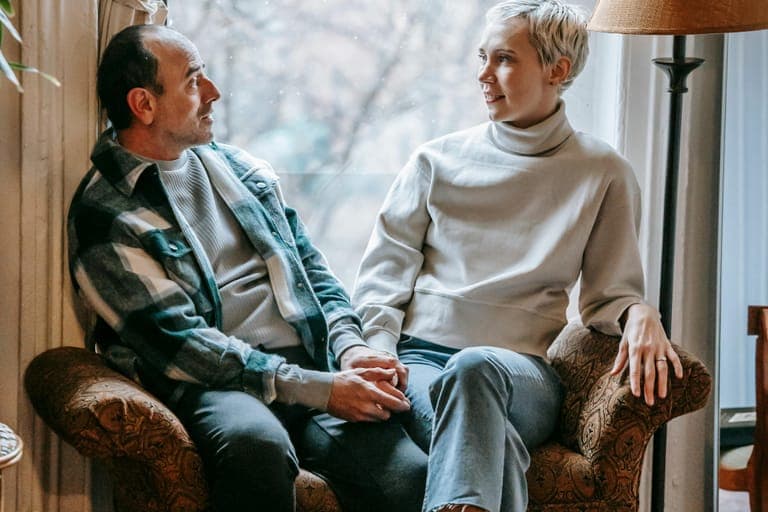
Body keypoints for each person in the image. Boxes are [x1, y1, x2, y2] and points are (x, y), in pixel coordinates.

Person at [67, 24, 426, 512]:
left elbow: (314, 273)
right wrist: (318, 389)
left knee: (410, 477)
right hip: (215, 383)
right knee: (254, 447)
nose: (213, 92)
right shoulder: (107, 213)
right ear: (143, 104)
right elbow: (181, 343)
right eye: (194, 81)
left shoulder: (240, 170)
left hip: (309, 362)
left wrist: (351, 347)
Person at [351, 1, 685, 511]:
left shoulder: (603, 172)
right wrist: (377, 350)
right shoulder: (434, 161)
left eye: (504, 59)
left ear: (558, 70)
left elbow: (607, 296)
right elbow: (383, 278)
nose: (483, 75)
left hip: (522, 375)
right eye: (482, 57)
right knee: (488, 431)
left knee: (475, 366)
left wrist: (640, 310)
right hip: (419, 362)